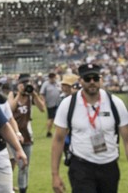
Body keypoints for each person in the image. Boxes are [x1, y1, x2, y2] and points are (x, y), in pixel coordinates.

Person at [50, 62, 128, 193]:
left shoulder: (115, 103)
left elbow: (127, 139)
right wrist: (55, 175)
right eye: (87, 78)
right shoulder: (68, 104)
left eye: (95, 78)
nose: (92, 82)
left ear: (100, 79)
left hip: (109, 166)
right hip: (81, 166)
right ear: (80, 81)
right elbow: (58, 140)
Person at [9, 75, 44, 193]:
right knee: (20, 165)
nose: (26, 87)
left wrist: (34, 94)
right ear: (19, 84)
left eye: (28, 84)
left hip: (28, 135)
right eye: (24, 84)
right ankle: (16, 188)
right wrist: (19, 94)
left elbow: (42, 109)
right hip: (13, 135)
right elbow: (9, 110)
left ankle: (23, 189)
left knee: (25, 165)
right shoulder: (13, 94)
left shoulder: (30, 97)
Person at [39, 72, 62, 138]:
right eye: (52, 78)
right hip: (50, 104)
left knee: (59, 118)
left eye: (54, 78)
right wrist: (43, 101)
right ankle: (48, 132)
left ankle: (58, 132)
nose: (53, 79)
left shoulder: (57, 83)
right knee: (51, 118)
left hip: (59, 103)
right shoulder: (45, 84)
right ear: (49, 78)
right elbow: (42, 94)